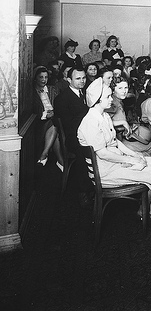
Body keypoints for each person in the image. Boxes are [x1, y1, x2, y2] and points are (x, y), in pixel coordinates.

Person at [78, 78, 151, 226]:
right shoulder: (90, 122)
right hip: (104, 171)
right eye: (108, 97)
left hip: (112, 163)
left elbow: (116, 142)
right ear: (97, 100)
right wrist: (131, 160)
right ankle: (146, 210)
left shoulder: (104, 116)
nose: (111, 100)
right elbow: (102, 153)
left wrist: (134, 154)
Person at [54, 67, 92, 207]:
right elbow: (69, 125)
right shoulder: (62, 98)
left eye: (83, 78)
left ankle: (103, 184)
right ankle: (82, 191)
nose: (82, 81)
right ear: (68, 80)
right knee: (86, 149)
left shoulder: (85, 93)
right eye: (78, 78)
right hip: (73, 137)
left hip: (88, 132)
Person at [107, 76, 151, 156]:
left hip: (122, 137)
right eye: (120, 88)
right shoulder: (112, 103)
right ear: (113, 89)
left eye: (125, 88)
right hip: (117, 141)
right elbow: (105, 121)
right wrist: (123, 122)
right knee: (150, 147)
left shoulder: (119, 101)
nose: (124, 91)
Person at [33, 67, 64, 170]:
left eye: (46, 77)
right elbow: (32, 111)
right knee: (54, 126)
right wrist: (44, 115)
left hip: (54, 119)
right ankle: (61, 161)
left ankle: (44, 155)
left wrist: (54, 112)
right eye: (41, 77)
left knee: (53, 123)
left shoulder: (52, 89)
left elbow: (60, 105)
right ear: (36, 78)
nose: (43, 80)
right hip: (39, 122)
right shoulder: (31, 92)